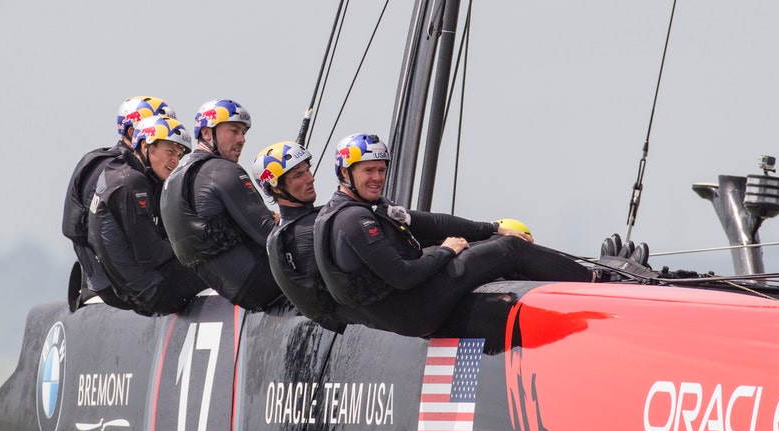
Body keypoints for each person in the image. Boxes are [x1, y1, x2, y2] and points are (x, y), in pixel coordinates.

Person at [313, 133, 596, 337]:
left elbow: (433, 223)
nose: (377, 177)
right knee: (510, 249)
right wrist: (447, 251)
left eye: (381, 170)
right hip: (414, 312)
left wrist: (492, 227)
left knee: (497, 241)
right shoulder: (354, 219)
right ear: (345, 173)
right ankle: (596, 283)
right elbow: (403, 276)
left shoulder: (367, 207)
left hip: (409, 302)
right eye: (368, 171)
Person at [159, 99, 282, 310]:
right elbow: (270, 237)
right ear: (207, 133)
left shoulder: (173, 179)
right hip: (265, 282)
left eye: (244, 133)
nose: (242, 139)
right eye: (234, 130)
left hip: (236, 293)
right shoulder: (223, 171)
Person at [61, 96, 176, 311]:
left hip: (109, 280)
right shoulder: (121, 174)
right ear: (134, 133)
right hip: (117, 285)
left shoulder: (130, 169)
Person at [88, 115, 208, 316]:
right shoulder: (132, 183)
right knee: (222, 263)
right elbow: (151, 254)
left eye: (179, 156)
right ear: (145, 146)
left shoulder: (115, 170)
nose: (175, 161)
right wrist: (195, 244)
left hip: (131, 290)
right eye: (170, 151)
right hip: (154, 294)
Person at [253, 141, 361, 332]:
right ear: (277, 188)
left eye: (307, 170)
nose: (310, 179)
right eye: (298, 175)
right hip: (358, 320)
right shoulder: (308, 229)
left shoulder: (283, 231)